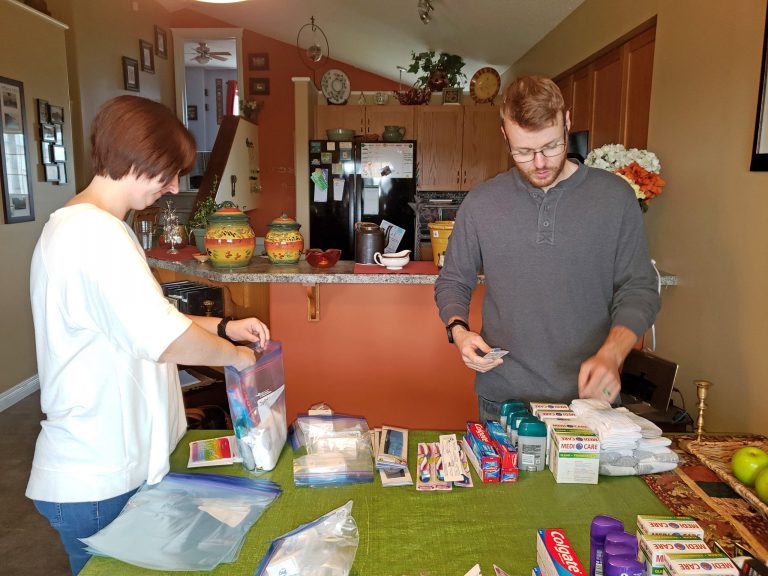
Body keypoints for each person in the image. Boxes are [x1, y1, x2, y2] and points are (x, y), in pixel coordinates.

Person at [26, 95, 270, 575]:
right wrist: (235, 358)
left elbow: (146, 318)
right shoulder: (94, 236)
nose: (173, 186)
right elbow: (165, 339)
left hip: (107, 468)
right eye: (168, 173)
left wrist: (224, 327)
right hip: (99, 476)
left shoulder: (86, 228)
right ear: (137, 159)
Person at [434, 76, 660, 423]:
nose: (539, 163)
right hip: (502, 400)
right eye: (523, 151)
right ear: (505, 135)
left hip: (590, 401)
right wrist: (460, 332)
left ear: (567, 122)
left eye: (551, 146)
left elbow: (639, 289)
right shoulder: (482, 202)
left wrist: (612, 355)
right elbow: (453, 280)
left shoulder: (615, 198)